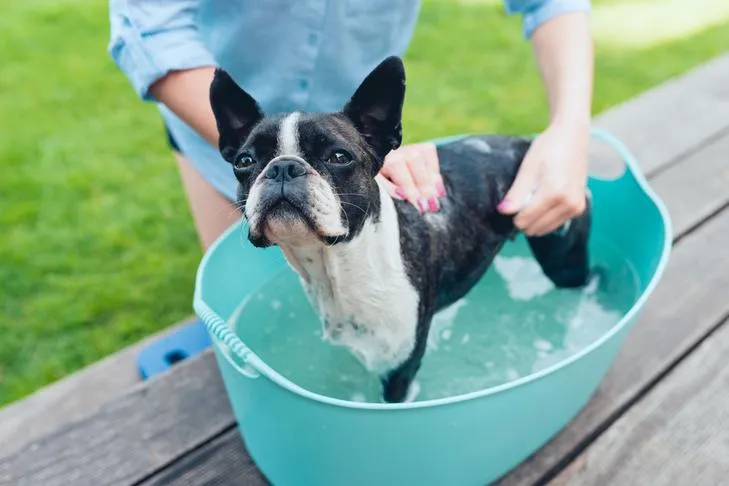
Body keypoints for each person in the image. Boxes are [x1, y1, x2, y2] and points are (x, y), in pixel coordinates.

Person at [108, 0, 593, 250]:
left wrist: (571, 129)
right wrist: (253, 153)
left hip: (356, 141)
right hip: (219, 128)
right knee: (260, 323)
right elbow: (152, 28)